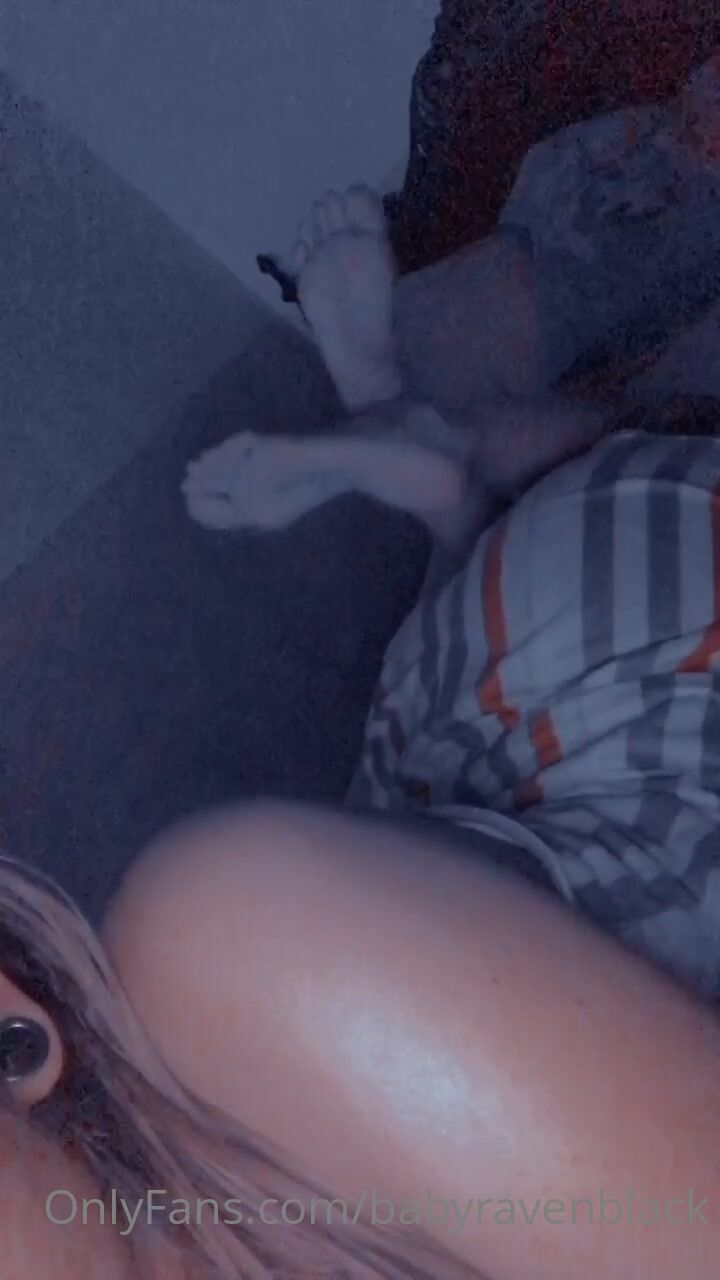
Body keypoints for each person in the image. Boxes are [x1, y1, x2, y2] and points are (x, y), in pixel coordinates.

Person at [5, 182, 720, 1280]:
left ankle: (422, 440)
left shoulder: (235, 952)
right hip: (509, 653)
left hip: (632, 621)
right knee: (433, 748)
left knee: (577, 494)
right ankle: (420, 446)